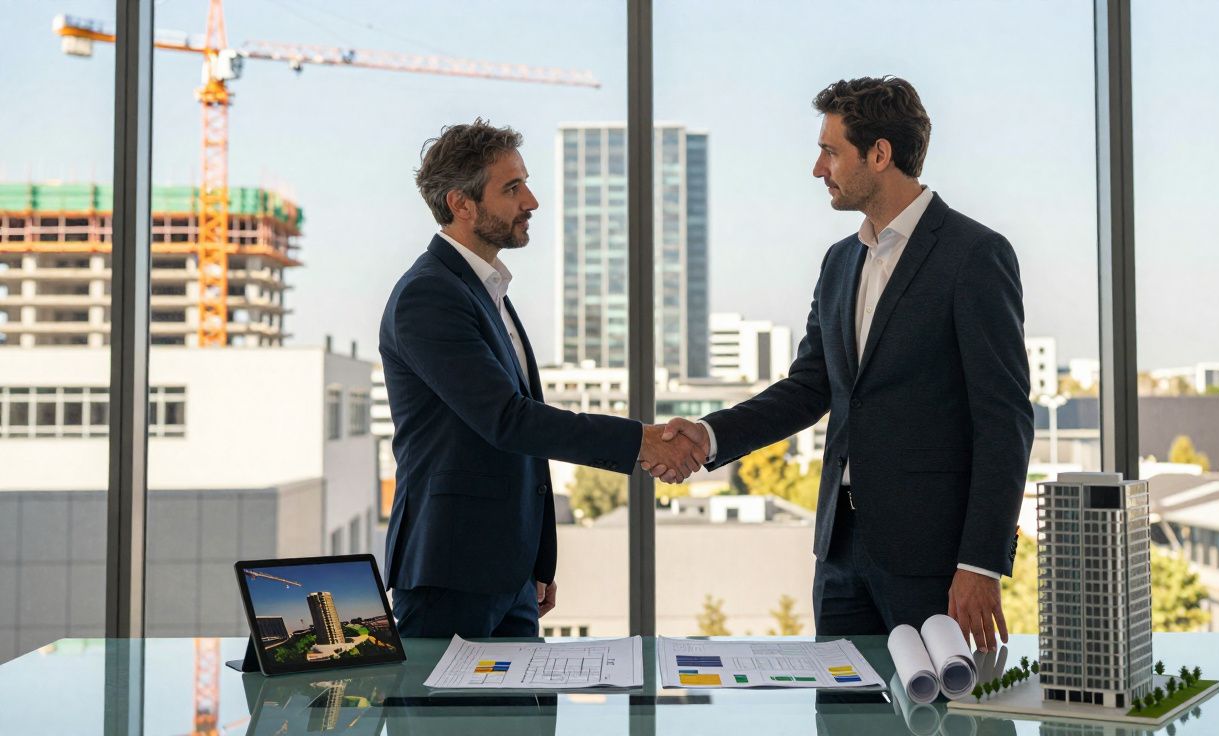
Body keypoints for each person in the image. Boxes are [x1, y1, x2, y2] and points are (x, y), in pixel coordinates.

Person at [654, 77, 1033, 650]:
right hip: (838, 554)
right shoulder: (838, 263)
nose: (817, 168)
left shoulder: (975, 255)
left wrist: (980, 563)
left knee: (943, 721)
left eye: (830, 151)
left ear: (879, 154)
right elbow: (810, 388)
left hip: (933, 563)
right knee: (838, 718)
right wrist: (709, 436)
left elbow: (1004, 420)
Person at [380, 119, 703, 638]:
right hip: (451, 572)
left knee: (524, 722)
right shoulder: (429, 295)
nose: (531, 201)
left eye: (525, 183)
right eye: (512, 188)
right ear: (462, 204)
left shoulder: (486, 291)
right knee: (443, 722)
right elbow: (508, 420)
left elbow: (517, 450)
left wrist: (539, 559)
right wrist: (640, 440)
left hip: (511, 575)